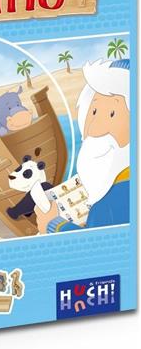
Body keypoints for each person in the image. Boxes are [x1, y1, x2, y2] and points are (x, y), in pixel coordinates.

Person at [36, 59, 130, 233]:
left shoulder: (116, 196)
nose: (95, 127)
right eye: (94, 112)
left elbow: (99, 243)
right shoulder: (114, 181)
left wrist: (52, 225)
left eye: (112, 114)